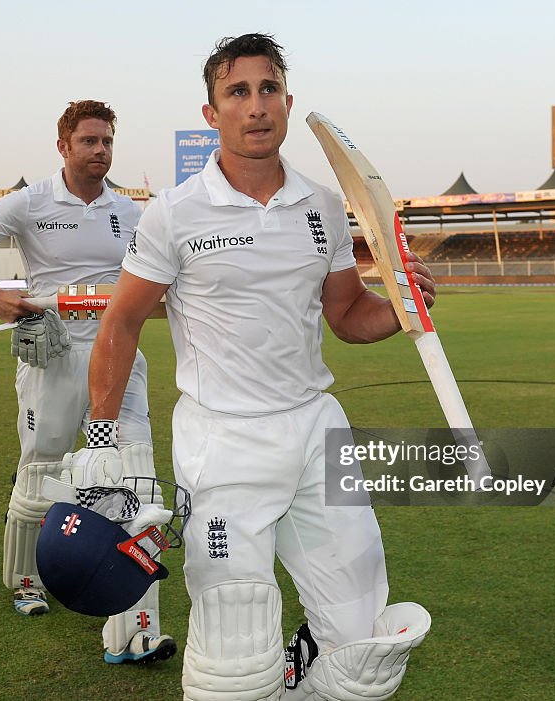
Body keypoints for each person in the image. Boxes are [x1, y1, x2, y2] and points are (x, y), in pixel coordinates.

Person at [84, 34, 436, 699]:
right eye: (236, 92)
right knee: (234, 660)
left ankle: (300, 673)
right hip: (224, 444)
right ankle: (262, 674)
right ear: (211, 112)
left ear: (287, 100)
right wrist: (102, 443)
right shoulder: (174, 213)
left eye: (267, 88)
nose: (255, 105)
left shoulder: (322, 206)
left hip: (314, 430)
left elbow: (347, 313)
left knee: (365, 649)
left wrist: (400, 307)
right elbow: (121, 322)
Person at [0, 100, 175, 665]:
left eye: (108, 141)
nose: (101, 151)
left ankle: (134, 629)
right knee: (42, 469)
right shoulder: (30, 200)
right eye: (89, 141)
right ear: (63, 146)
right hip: (53, 353)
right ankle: (25, 580)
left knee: (134, 482)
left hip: (119, 353)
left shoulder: (134, 211)